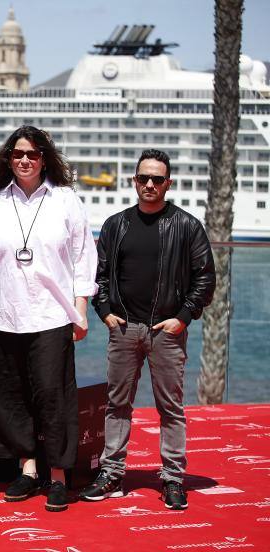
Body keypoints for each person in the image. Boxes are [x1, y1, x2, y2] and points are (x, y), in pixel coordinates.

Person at [80, 149, 215, 510]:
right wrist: (105, 311)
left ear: (169, 183)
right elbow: (101, 274)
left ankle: (172, 477)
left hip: (166, 331)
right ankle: (111, 473)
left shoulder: (187, 225)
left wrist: (183, 317)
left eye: (157, 179)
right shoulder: (116, 224)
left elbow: (205, 279)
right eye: (143, 178)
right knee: (116, 404)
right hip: (124, 328)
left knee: (170, 407)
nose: (150, 184)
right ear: (134, 181)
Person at [0, 125, 97, 512]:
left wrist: (81, 308)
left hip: (52, 314)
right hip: (4, 313)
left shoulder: (65, 200)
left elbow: (83, 256)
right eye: (17, 154)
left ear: (44, 157)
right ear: (8, 159)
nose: (25, 160)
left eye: (32, 154)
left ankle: (60, 476)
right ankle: (28, 470)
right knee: (11, 396)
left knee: (53, 395)